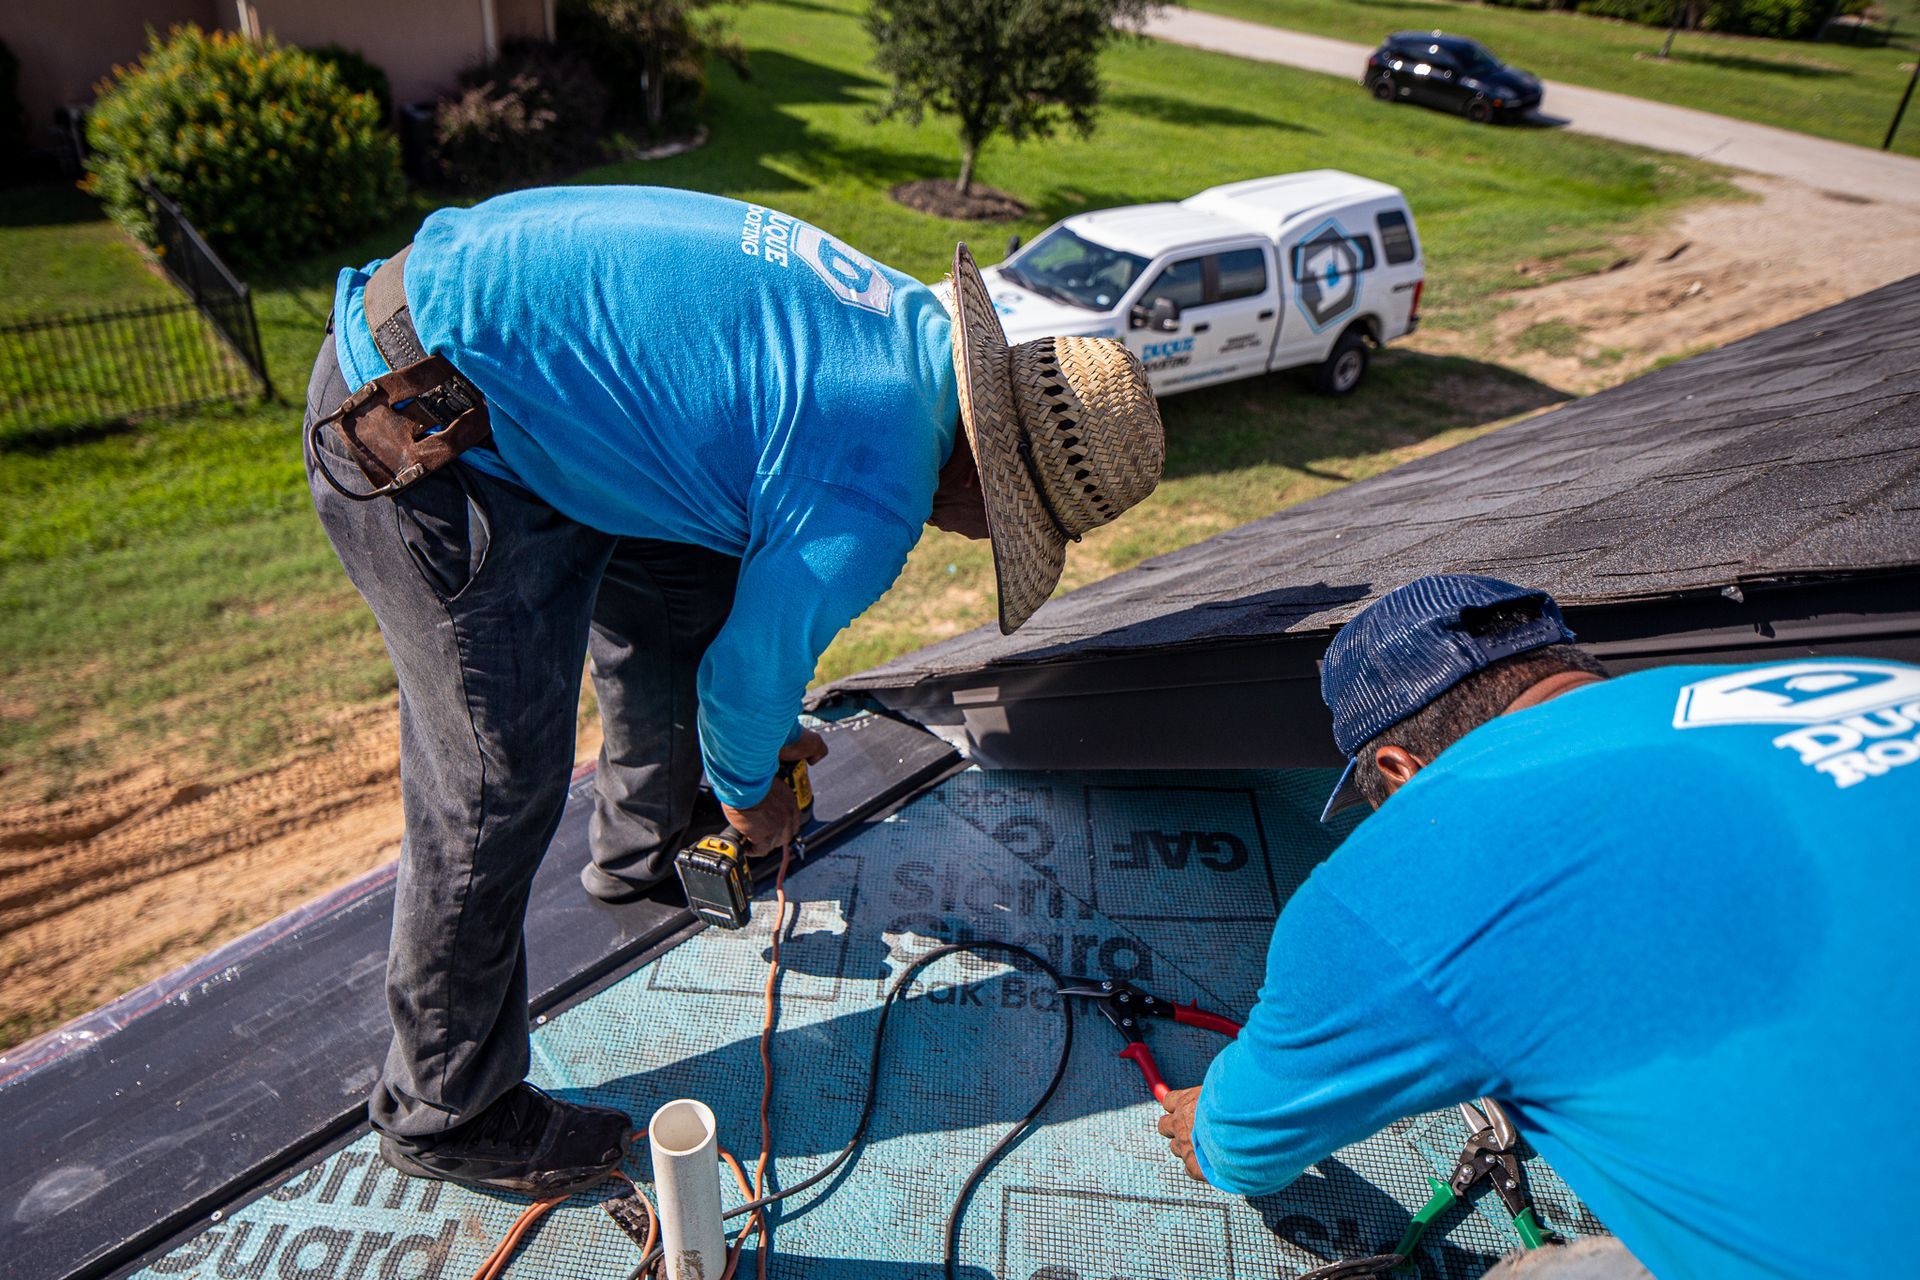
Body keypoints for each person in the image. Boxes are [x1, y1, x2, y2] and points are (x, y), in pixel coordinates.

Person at [304, 186, 1164, 1197]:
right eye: (1006, 526)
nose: (978, 540)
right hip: (423, 415)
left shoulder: (908, 330)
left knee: (682, 583)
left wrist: (757, 742)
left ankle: (646, 847)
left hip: (497, 355)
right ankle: (448, 1108)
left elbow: (741, 584)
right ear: (989, 477)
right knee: (493, 776)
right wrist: (752, 799)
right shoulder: (878, 485)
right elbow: (746, 679)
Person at [1155, 572, 1919, 1278]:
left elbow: (1247, 1142)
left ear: (1396, 768)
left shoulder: (1401, 875)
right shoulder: (1852, 681)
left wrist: (1207, 1123)